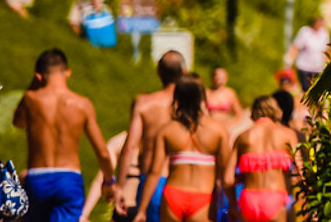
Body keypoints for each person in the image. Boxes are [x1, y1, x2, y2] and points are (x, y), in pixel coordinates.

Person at [13, 48, 114, 222]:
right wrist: (109, 180)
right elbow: (103, 153)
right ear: (67, 73)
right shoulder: (82, 104)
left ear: (38, 76)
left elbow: (18, 122)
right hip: (68, 178)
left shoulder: (31, 99)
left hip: (37, 177)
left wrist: (32, 86)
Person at [144, 76, 226, 222]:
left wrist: (142, 209)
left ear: (177, 98)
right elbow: (226, 172)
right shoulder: (218, 130)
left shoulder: (167, 130)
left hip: (173, 195)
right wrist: (231, 204)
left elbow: (154, 172)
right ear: (202, 97)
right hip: (204, 197)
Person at [115, 51, 184, 221]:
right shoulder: (191, 105)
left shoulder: (144, 103)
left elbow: (130, 147)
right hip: (185, 183)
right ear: (184, 71)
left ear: (159, 73)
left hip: (153, 183)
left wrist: (120, 187)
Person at [226, 94, 296, 222]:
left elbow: (228, 179)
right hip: (275, 196)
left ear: (254, 112)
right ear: (276, 110)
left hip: (249, 199)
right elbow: (301, 171)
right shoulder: (287, 134)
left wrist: (232, 205)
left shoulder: (242, 137)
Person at [285, 16, 329, 94]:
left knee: (316, 91)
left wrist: (328, 63)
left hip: (318, 68)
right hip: (304, 67)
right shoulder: (305, 32)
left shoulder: (324, 34)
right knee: (306, 90)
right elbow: (296, 46)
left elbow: (326, 50)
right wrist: (290, 58)